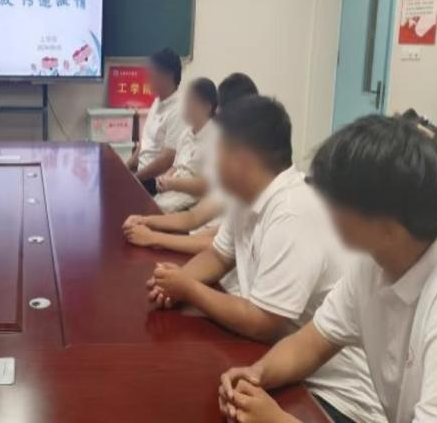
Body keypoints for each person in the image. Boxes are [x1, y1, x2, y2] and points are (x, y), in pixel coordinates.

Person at [148, 96, 385, 423]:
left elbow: (263, 322)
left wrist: (188, 288)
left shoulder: (292, 212)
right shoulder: (246, 197)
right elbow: (219, 255)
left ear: (242, 159)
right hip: (283, 365)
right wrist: (175, 284)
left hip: (335, 397)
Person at [218, 115, 437, 423]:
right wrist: (257, 374)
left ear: (387, 225)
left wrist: (277, 420)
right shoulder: (373, 264)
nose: (324, 211)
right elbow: (312, 343)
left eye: (336, 203)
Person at [123, 73, 258, 255]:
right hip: (196, 236)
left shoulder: (248, 177)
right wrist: (146, 222)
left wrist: (155, 238)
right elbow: (194, 218)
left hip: (211, 256)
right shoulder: (230, 165)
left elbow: (215, 245)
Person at [152, 77, 218, 213]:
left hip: (191, 202)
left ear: (207, 107)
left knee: (153, 213)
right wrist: (164, 179)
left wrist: (172, 183)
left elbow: (206, 186)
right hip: (171, 193)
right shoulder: (185, 134)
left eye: (192, 102)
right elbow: (175, 166)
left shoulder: (216, 139)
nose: (186, 107)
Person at [126, 48, 185, 195]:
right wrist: (126, 167)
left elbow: (167, 159)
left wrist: (136, 178)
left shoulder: (179, 110)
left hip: (156, 182)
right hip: (142, 174)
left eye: (152, 74)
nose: (147, 79)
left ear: (168, 76)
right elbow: (145, 143)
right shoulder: (158, 101)